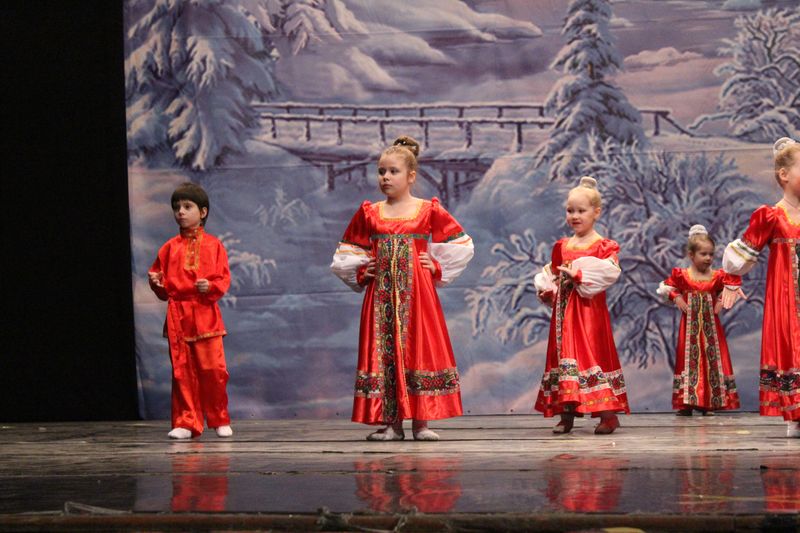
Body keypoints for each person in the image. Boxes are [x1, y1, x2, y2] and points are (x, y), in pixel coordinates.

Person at [330, 136, 474, 441]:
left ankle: (421, 423)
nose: (385, 177)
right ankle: (391, 424)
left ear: (411, 176)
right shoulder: (370, 213)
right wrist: (362, 270)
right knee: (384, 351)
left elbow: (461, 244)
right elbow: (348, 250)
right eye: (381, 171)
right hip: (380, 297)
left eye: (393, 171)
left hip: (417, 295)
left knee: (418, 347)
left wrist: (436, 265)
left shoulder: (427, 210)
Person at [533, 176, 628, 434]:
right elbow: (553, 272)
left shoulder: (602, 246)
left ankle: (607, 414)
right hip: (564, 313)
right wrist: (548, 289)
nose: (575, 216)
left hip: (588, 312)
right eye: (570, 210)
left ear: (596, 212)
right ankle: (567, 413)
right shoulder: (563, 246)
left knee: (589, 355)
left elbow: (610, 273)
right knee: (564, 356)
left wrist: (580, 275)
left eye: (581, 211)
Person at [722, 137, 800, 438]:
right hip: (788, 299)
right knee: (793, 347)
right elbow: (745, 251)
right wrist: (731, 280)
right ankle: (795, 413)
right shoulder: (772, 216)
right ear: (784, 175)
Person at [148, 182, 233, 439]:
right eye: (177, 208)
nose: (181, 212)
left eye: (187, 207)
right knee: (182, 371)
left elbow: (223, 279)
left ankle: (219, 418)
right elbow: (161, 283)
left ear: (203, 212)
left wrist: (210, 286)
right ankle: (186, 422)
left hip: (205, 314)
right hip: (178, 315)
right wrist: (157, 283)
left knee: (214, 370)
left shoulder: (214, 246)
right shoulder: (169, 247)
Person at [657, 225, 741, 416]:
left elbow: (731, 285)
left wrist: (720, 300)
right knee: (689, 361)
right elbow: (667, 287)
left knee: (711, 360)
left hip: (711, 330)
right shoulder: (682, 275)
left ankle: (709, 402)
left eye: (711, 254)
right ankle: (686, 403)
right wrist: (677, 297)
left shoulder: (717, 276)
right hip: (690, 331)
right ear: (691, 255)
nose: (708, 258)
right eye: (703, 254)